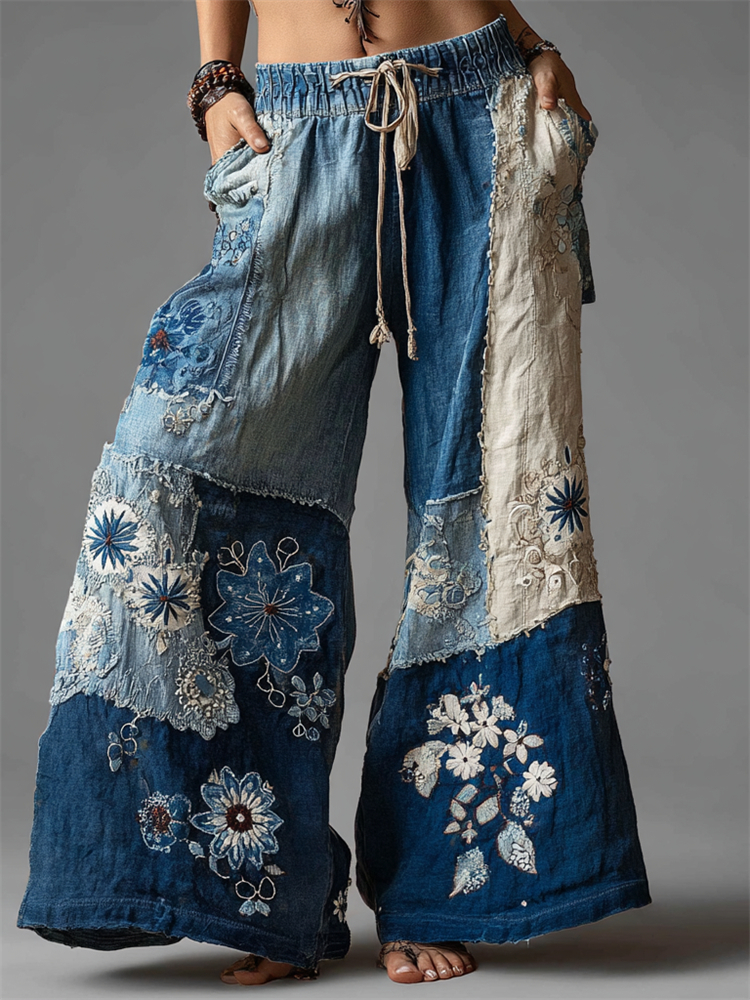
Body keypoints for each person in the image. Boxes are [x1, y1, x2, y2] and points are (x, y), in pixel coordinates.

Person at [16, 0, 651, 987]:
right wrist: (216, 77)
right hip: (299, 127)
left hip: (480, 109)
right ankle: (267, 885)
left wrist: (531, 42)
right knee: (187, 463)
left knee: (494, 496)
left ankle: (438, 888)